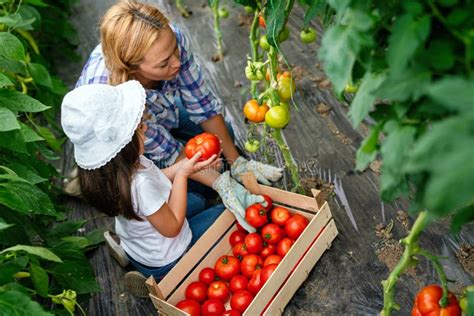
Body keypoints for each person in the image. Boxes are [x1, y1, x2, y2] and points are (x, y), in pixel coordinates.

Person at [74, 0, 283, 234]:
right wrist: (220, 183)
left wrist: (237, 164)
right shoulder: (120, 102)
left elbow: (202, 104)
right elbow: (169, 151)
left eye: (174, 49)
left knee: (225, 138)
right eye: (164, 63)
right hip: (127, 148)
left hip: (162, 111)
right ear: (133, 68)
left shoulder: (171, 40)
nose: (176, 62)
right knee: (193, 195)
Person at [61, 81, 238, 297]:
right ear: (123, 145)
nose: (144, 127)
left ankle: (131, 257)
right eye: (138, 128)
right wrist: (182, 175)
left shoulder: (116, 172)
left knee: (197, 201)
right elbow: (172, 227)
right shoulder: (140, 184)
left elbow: (158, 180)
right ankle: (164, 282)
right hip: (170, 256)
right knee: (224, 215)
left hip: (139, 245)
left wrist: (183, 166)